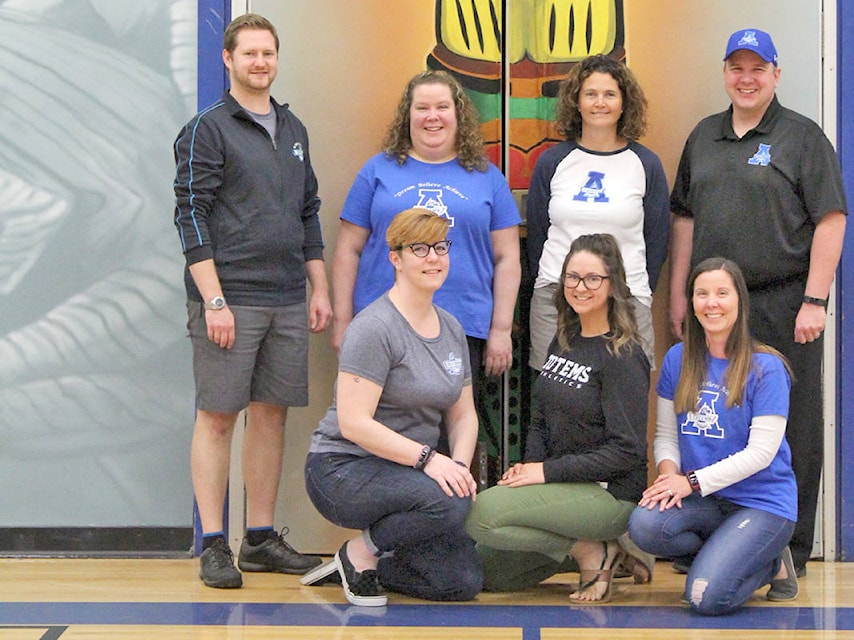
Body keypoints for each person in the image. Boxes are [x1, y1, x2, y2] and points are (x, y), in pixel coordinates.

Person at [668, 28, 847, 576]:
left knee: (791, 426)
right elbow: (684, 219)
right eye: (736, 68)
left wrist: (815, 298)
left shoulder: (802, 137)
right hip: (714, 308)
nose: (746, 79)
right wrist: (679, 292)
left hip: (783, 304)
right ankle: (719, 539)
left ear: (776, 74)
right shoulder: (703, 137)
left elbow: (831, 219)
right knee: (713, 418)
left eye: (757, 68)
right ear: (725, 73)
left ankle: (787, 551)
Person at [172, 13, 332, 589]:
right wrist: (214, 300)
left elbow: (308, 210)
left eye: (268, 53)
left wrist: (319, 287)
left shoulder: (292, 128)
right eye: (249, 54)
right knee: (217, 418)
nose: (260, 62)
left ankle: (259, 539)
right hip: (230, 298)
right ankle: (215, 543)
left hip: (288, 296)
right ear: (228, 59)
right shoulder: (206, 130)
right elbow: (190, 215)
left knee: (270, 416)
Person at [303, 209, 483, 607]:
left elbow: (463, 413)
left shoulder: (452, 328)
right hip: (342, 468)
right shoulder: (375, 328)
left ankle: (366, 563)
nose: (433, 257)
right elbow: (353, 424)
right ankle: (359, 554)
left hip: (409, 473)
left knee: (461, 581)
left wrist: (458, 467)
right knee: (447, 501)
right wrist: (430, 461)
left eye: (440, 247)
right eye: (419, 248)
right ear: (395, 258)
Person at [465, 234, 652, 604]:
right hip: (561, 487)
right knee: (488, 572)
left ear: (612, 285)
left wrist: (544, 474)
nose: (580, 287)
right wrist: (528, 469)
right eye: (572, 277)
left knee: (481, 515)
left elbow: (627, 451)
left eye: (592, 278)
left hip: (608, 494)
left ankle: (590, 552)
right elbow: (538, 422)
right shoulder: (563, 340)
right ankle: (607, 551)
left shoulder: (623, 356)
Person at [627, 257, 798, 615]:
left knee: (705, 598)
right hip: (706, 499)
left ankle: (770, 564)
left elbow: (761, 454)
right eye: (702, 294)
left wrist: (688, 482)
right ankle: (731, 550)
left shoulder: (766, 368)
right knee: (645, 525)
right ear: (691, 303)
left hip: (761, 503)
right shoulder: (678, 359)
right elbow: (665, 435)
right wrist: (669, 475)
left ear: (740, 301)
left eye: (722, 293)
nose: (712, 303)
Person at [330, 70, 521, 386]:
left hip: (463, 325)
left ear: (458, 114)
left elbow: (508, 258)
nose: (433, 117)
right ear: (408, 116)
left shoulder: (488, 177)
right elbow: (348, 249)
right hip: (381, 324)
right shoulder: (377, 171)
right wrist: (342, 319)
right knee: (381, 427)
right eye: (422, 108)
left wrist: (500, 329)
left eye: (442, 107)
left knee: (454, 426)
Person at [526, 54, 670, 371]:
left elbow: (657, 239)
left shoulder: (646, 164)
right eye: (591, 94)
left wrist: (628, 287)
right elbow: (537, 233)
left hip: (626, 297)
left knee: (625, 395)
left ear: (624, 103)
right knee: (555, 395)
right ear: (576, 101)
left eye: (609, 94)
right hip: (557, 297)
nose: (599, 103)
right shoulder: (552, 162)